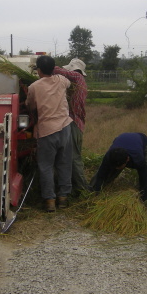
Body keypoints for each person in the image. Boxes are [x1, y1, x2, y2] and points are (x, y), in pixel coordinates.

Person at [26, 55, 73, 212]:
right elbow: (69, 83)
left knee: (46, 166)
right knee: (64, 163)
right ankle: (63, 198)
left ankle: (50, 200)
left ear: (38, 70)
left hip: (47, 130)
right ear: (53, 69)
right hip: (65, 127)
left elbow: (30, 106)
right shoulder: (61, 79)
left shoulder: (34, 87)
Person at [90, 132, 147, 214]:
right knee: (106, 171)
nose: (117, 169)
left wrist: (142, 200)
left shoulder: (138, 158)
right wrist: (97, 194)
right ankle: (91, 192)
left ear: (127, 160)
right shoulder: (109, 156)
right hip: (123, 143)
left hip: (144, 143)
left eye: (120, 167)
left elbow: (143, 178)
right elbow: (101, 175)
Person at [52, 58, 90, 194]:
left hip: (74, 123)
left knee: (74, 158)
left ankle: (82, 189)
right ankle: (74, 187)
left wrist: (44, 65)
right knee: (67, 157)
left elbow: (57, 70)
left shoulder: (78, 77)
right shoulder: (76, 82)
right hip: (73, 123)